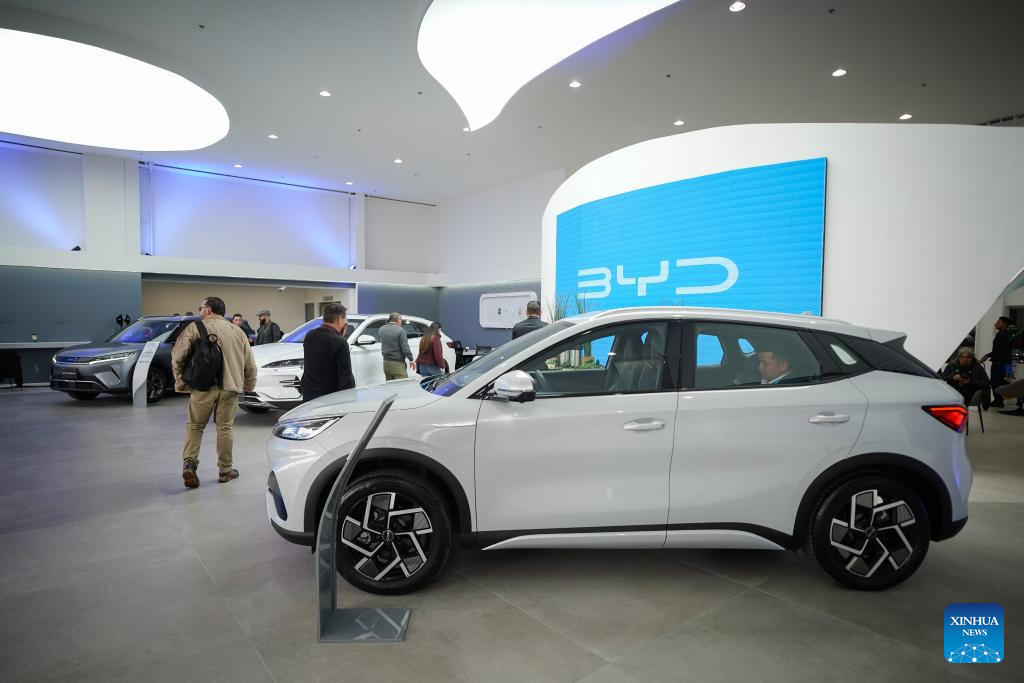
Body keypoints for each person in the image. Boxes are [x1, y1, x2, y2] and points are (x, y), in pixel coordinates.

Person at [171, 296, 256, 488]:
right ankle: (225, 470)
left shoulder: (195, 328)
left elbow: (177, 356)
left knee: (195, 426)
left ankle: (189, 465)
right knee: (224, 428)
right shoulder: (237, 331)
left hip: (202, 387)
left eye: (201, 308)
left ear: (208, 310)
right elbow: (249, 362)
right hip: (230, 388)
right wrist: (249, 383)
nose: (199, 311)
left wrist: (180, 380)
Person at [300, 303, 356, 402]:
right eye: (344, 319)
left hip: (309, 395)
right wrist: (349, 400)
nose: (345, 322)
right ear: (339, 319)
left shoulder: (310, 335)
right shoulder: (340, 343)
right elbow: (345, 378)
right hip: (329, 398)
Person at [980, 316, 1013, 408]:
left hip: (999, 363)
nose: (996, 323)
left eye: (998, 322)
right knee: (1002, 381)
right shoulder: (1008, 334)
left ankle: (998, 401)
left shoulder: (1002, 334)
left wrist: (987, 356)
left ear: (1004, 324)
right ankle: (999, 400)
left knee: (995, 382)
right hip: (1005, 362)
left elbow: (998, 350)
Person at [380, 312, 415, 379]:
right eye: (401, 319)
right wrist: (411, 359)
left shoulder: (381, 329)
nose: (401, 322)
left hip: (386, 363)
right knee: (403, 384)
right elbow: (405, 348)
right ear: (397, 320)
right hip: (397, 364)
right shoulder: (401, 330)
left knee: (390, 384)